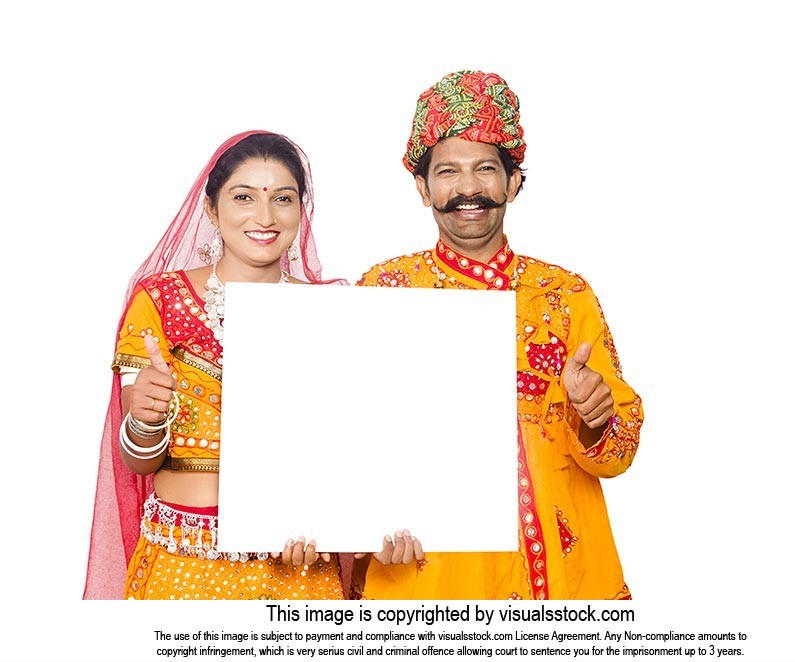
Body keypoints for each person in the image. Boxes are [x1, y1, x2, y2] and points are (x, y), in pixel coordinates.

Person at [355, 71, 644, 600]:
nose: (468, 188)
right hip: (431, 584)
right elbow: (344, 438)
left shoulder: (564, 293)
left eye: (485, 168)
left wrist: (596, 418)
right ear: (423, 187)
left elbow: (618, 454)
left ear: (512, 182)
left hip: (568, 581)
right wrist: (360, 523)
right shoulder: (384, 289)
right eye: (448, 171)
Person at [84, 131, 346, 599]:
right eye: (244, 197)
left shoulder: (331, 314)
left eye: (282, 198)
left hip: (297, 571)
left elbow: (351, 454)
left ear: (300, 211)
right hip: (182, 562)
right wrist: (144, 419)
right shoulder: (161, 302)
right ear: (211, 208)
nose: (264, 217)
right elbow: (137, 463)